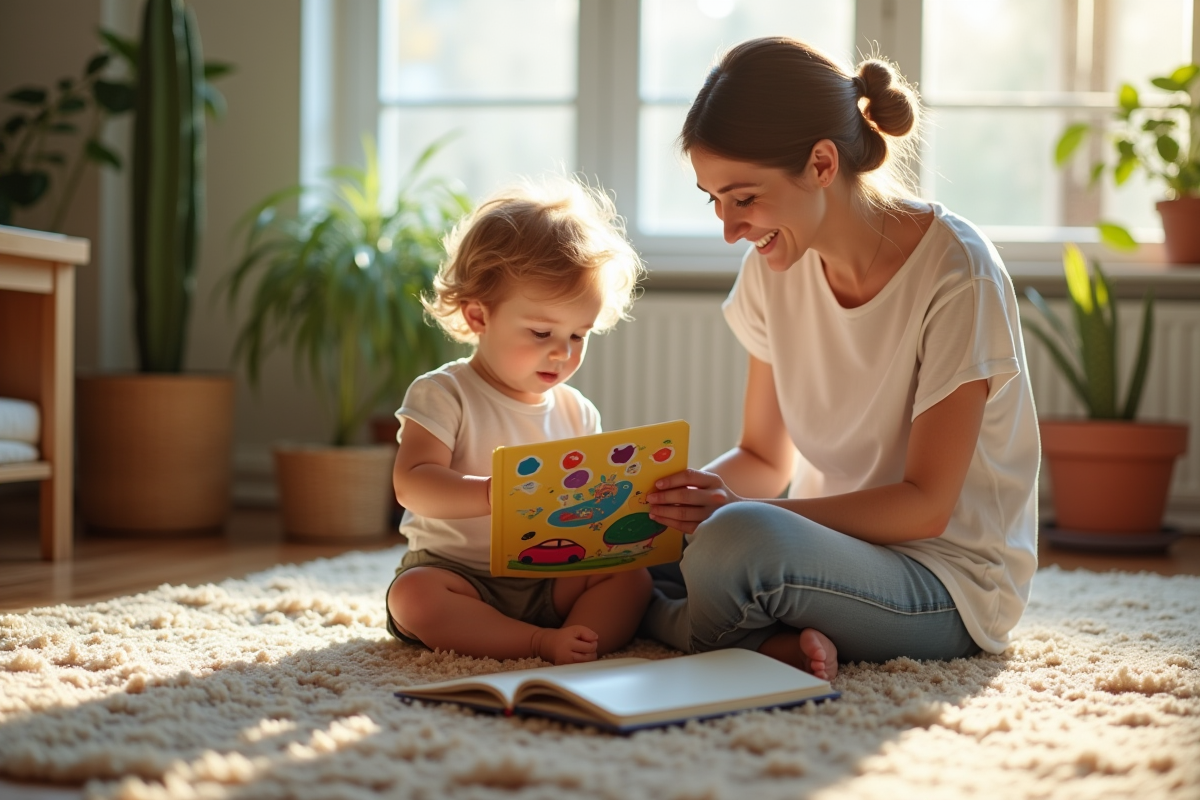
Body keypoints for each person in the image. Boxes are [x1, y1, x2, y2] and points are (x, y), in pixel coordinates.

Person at [642, 37, 1040, 681]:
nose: (729, 228)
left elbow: (925, 505)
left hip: (942, 580)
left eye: (744, 198)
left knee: (739, 545)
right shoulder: (773, 268)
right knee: (628, 542)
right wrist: (677, 503)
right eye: (712, 200)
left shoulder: (958, 272)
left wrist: (737, 518)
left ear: (822, 163)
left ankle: (671, 621)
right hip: (823, 552)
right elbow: (766, 459)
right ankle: (756, 629)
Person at [386, 176, 652, 665]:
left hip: (551, 573)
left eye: (579, 335)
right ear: (478, 316)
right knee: (414, 597)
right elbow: (412, 484)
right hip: (459, 576)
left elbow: (591, 503)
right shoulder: (445, 393)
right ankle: (536, 643)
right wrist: (493, 493)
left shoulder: (577, 411)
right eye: (542, 331)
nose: (562, 351)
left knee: (630, 577)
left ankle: (578, 637)